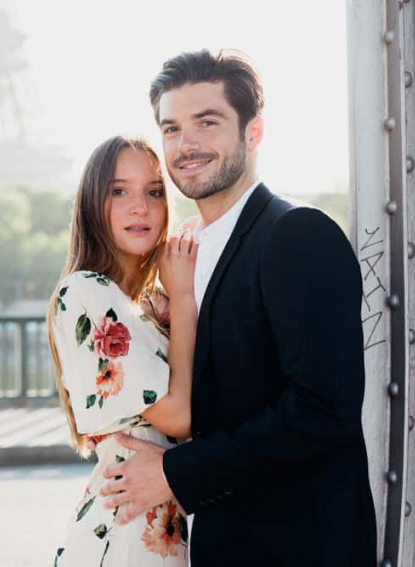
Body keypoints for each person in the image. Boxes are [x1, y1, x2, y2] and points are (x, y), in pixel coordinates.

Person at [98, 50, 378, 566]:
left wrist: (174, 473)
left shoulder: (297, 233)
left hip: (299, 549)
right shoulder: (183, 254)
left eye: (208, 122)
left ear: (254, 132)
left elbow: (321, 409)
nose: (187, 145)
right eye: (172, 128)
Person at [47, 135, 200, 566]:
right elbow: (178, 414)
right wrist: (185, 300)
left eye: (154, 191)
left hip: (156, 523)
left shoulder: (147, 305)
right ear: (92, 203)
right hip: (126, 534)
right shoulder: (86, 292)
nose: (141, 207)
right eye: (119, 191)